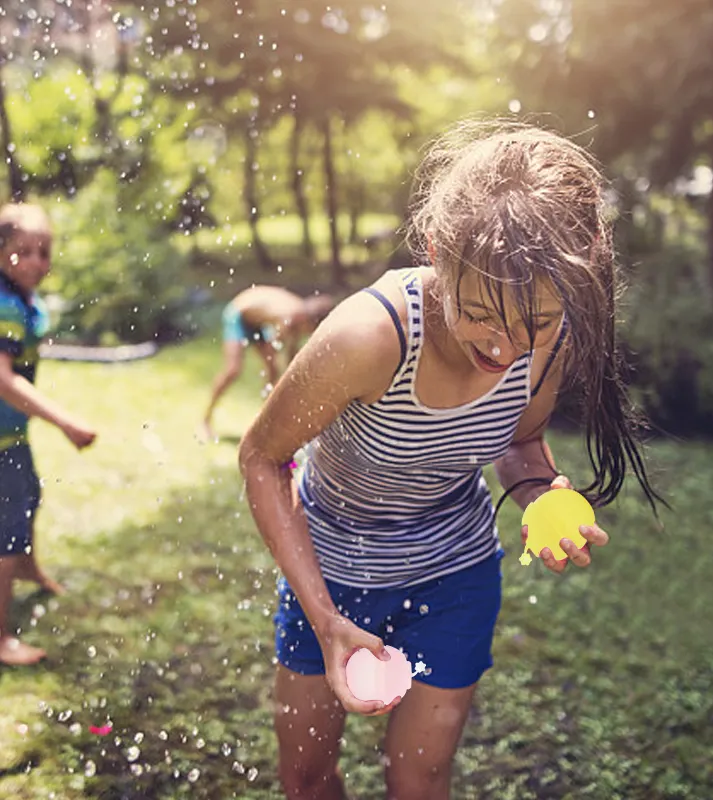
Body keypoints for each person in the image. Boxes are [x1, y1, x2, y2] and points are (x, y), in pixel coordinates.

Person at [238, 119, 662, 799]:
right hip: (331, 574)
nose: (507, 346)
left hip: (452, 576)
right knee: (307, 776)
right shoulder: (367, 338)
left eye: (537, 322)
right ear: (438, 254)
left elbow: (520, 443)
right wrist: (323, 618)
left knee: (422, 775)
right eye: (481, 315)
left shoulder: (552, 341)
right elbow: (262, 457)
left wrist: (544, 493)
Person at [0, 203, 96, 666]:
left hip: (9, 435)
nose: (37, 261)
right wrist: (66, 422)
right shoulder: (5, 306)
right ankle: (0, 638)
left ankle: (26, 567)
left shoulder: (19, 298)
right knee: (4, 532)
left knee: (29, 496)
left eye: (44, 251)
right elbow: (3, 379)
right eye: (23, 252)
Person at [202, 286, 335, 441]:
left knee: (273, 371)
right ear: (311, 322)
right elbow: (279, 348)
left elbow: (292, 357)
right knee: (233, 370)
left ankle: (264, 424)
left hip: (258, 322)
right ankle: (205, 420)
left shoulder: (301, 316)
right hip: (238, 315)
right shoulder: (291, 316)